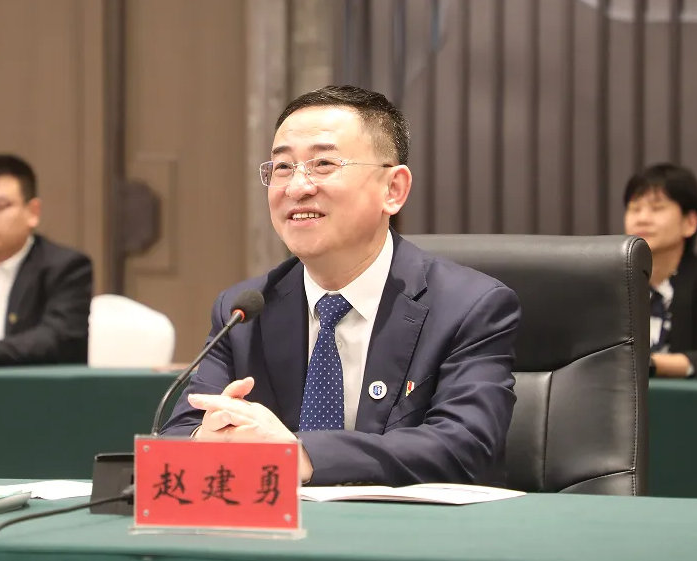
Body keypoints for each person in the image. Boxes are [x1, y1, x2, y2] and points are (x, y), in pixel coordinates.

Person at [162, 85, 521, 487]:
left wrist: (301, 456)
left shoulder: (468, 307)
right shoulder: (244, 312)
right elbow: (176, 436)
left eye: (324, 164)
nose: (297, 187)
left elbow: (467, 448)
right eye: (283, 167)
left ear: (393, 189)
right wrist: (205, 440)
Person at [0, 154, 93, 367]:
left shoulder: (66, 267)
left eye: (0, 207)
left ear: (33, 212)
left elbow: (58, 339)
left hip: (36, 386)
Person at [624, 163, 697, 378]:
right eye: (635, 208)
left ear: (690, 223)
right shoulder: (614, 284)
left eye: (657, 208)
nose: (642, 218)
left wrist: (650, 364)